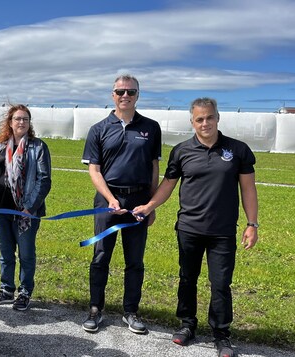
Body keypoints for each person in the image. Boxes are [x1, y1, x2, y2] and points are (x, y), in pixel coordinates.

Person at [132, 97, 259, 357]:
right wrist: (148, 206)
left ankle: (222, 335)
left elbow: (248, 188)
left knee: (221, 284)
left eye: (209, 117)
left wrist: (252, 223)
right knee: (187, 279)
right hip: (189, 228)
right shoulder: (181, 151)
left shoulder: (237, 150)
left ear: (217, 118)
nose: (205, 123)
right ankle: (187, 325)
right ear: (192, 121)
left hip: (222, 232)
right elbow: (168, 185)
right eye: (199, 119)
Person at [80, 74, 161, 334]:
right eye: (120, 91)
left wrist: (151, 204)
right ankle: (95, 309)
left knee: (135, 260)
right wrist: (111, 199)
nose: (125, 95)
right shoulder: (99, 129)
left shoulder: (151, 127)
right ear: (112, 95)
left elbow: (154, 168)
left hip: (138, 201)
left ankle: (131, 311)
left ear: (138, 95)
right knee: (100, 256)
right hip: (107, 200)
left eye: (131, 92)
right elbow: (94, 170)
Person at [0, 104, 52, 312]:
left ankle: (24, 292)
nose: (21, 122)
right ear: (10, 123)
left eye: (25, 119)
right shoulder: (2, 146)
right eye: (17, 119)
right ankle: (6, 289)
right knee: (5, 253)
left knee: (26, 253)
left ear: (29, 124)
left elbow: (44, 180)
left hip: (25, 213)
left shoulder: (38, 147)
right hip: (2, 210)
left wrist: (30, 207)